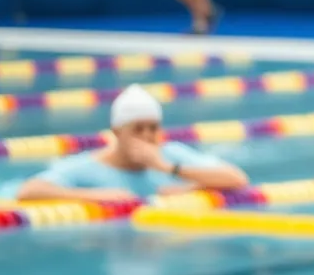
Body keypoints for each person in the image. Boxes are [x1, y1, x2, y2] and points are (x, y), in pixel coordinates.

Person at [16, 84, 248, 202]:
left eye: (153, 128)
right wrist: (96, 196)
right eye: (138, 129)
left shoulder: (171, 154)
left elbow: (237, 179)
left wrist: (170, 170)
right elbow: (28, 191)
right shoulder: (90, 166)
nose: (148, 136)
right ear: (117, 132)